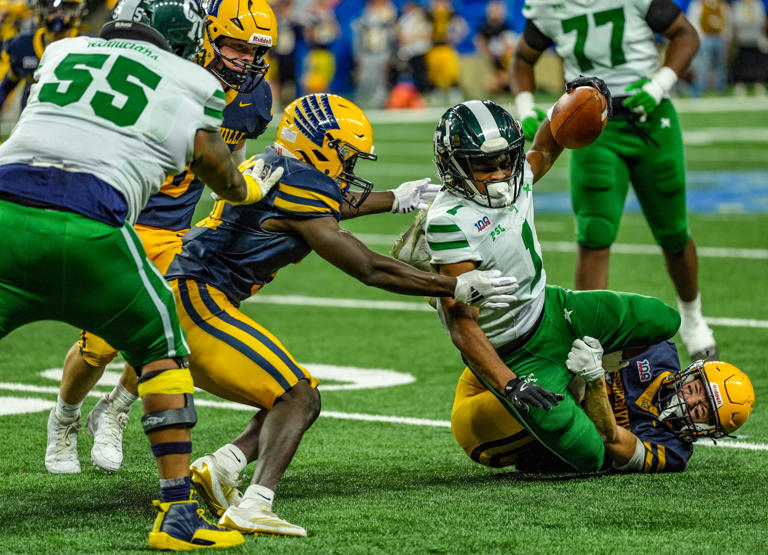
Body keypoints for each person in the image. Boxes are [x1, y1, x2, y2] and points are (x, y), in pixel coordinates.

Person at [161, 92, 520, 537]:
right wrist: (454, 285)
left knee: (289, 393)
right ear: (321, 146)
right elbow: (366, 266)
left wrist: (392, 199)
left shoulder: (278, 164)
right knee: (299, 397)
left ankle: (222, 465)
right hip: (195, 301)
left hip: (189, 295)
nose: (349, 170)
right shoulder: (300, 184)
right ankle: (255, 504)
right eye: (345, 157)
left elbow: (323, 208)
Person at [0, 0, 280, 549]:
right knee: (162, 350)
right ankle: (176, 513)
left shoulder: (64, 52)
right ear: (198, 38)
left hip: (10, 203)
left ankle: (114, 413)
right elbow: (220, 168)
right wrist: (250, 188)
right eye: (233, 46)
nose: (246, 61)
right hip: (101, 220)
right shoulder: (185, 79)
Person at [393, 88, 685, 473]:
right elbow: (462, 324)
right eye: (484, 166)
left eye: (505, 160)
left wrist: (577, 97)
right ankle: (571, 396)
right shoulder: (450, 220)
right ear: (455, 166)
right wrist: (510, 383)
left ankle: (591, 375)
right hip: (514, 351)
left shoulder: (518, 176)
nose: (500, 174)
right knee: (591, 457)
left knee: (664, 321)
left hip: (553, 308)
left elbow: (547, 147)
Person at [510, 0, 715, 362]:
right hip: (591, 127)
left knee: (672, 230)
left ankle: (694, 319)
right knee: (594, 233)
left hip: (648, 118)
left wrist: (658, 85)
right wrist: (526, 107)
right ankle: (587, 341)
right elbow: (523, 59)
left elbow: (686, 34)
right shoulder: (547, 5)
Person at [452, 339, 755, 473]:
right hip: (497, 377)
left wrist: (594, 378)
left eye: (701, 409)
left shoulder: (672, 452)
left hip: (494, 436)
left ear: (706, 429)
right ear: (692, 372)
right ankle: (451, 288)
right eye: (694, 389)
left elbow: (611, 439)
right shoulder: (658, 349)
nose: (688, 401)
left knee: (573, 404)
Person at [0, 0, 84, 110]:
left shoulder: (85, 46)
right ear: (41, 11)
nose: (58, 15)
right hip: (31, 117)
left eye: (65, 10)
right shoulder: (22, 45)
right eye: (52, 10)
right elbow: (7, 85)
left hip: (69, 115)